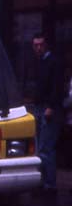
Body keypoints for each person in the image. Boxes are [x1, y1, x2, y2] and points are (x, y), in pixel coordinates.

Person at [32, 33, 65, 194]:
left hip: (49, 108)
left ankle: (49, 184)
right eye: (36, 45)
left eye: (41, 45)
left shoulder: (54, 63)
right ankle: (44, 181)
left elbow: (57, 87)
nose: (38, 48)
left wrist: (51, 106)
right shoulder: (40, 63)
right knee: (41, 147)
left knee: (46, 147)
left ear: (46, 45)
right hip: (40, 106)